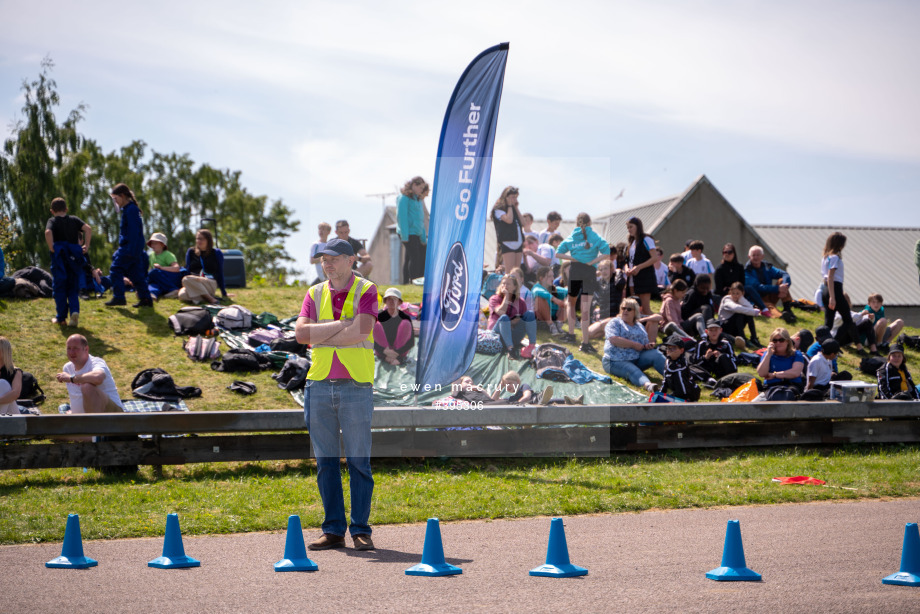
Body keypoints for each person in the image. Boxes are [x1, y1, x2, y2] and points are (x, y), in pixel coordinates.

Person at [294, 237, 378, 551]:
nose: (326, 264)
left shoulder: (367, 290)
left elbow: (361, 331)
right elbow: (301, 335)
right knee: (325, 463)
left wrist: (322, 333)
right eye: (323, 259)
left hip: (356, 386)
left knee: (359, 462)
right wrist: (339, 325)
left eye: (332, 258)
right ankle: (332, 530)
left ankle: (360, 530)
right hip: (318, 386)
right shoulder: (313, 292)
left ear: (350, 259)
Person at [555, 212, 609, 354]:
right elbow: (607, 252)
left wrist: (573, 258)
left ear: (577, 223)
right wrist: (592, 261)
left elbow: (558, 253)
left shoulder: (573, 236)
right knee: (586, 308)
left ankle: (571, 335)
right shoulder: (595, 236)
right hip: (589, 271)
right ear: (589, 223)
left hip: (575, 270)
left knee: (571, 303)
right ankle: (585, 343)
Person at [104, 183, 153, 308]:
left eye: (116, 198)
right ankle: (146, 299)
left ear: (123, 196)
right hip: (134, 248)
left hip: (129, 247)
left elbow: (133, 232)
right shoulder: (129, 209)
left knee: (115, 269)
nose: (115, 201)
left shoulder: (131, 210)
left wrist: (129, 250)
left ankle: (119, 297)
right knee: (136, 274)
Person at [602, 297, 665, 393]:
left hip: (636, 358)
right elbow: (613, 340)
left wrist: (647, 346)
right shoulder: (615, 322)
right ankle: (648, 386)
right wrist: (633, 344)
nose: (625, 311)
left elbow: (643, 344)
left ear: (635, 312)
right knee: (631, 369)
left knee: (656, 354)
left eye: (629, 309)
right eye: (623, 308)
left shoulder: (638, 326)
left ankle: (674, 375)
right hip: (614, 361)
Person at [45, 197, 92, 326]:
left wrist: (51, 247)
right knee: (72, 288)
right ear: (66, 209)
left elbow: (48, 232)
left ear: (52, 211)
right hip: (74, 258)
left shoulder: (52, 221)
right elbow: (88, 229)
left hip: (60, 258)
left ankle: (61, 318)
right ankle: (74, 312)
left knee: (60, 289)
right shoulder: (74, 220)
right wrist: (86, 246)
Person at [55, 334, 125, 415]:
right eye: (69, 348)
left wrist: (71, 378)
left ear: (86, 349)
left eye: (75, 348)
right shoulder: (67, 368)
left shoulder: (96, 362)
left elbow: (98, 378)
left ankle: (91, 425)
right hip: (82, 417)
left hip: (114, 415)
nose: (71, 352)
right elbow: (77, 396)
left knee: (87, 387)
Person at [820, 232, 858, 348]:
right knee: (847, 320)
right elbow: (831, 276)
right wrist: (833, 296)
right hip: (834, 289)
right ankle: (834, 343)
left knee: (829, 322)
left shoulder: (825, 257)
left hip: (826, 288)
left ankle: (823, 344)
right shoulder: (835, 257)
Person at [487, 274, 536, 360]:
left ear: (514, 287)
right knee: (504, 318)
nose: (505, 286)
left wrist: (515, 321)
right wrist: (506, 296)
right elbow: (501, 313)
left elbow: (522, 320)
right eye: (503, 283)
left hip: (513, 334)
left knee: (530, 314)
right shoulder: (494, 299)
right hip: (497, 337)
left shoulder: (521, 302)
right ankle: (510, 350)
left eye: (508, 284)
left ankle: (532, 346)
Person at [179, 229, 227, 304]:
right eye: (198, 238)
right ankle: (206, 296)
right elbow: (188, 269)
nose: (199, 241)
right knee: (182, 295)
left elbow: (220, 272)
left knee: (185, 279)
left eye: (202, 239)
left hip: (209, 282)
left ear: (208, 240)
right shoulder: (191, 251)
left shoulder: (216, 253)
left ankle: (209, 299)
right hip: (193, 280)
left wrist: (224, 292)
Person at [756, 327, 807, 399]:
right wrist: (768, 355)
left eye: (781, 340)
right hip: (771, 388)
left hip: (792, 387)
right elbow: (761, 373)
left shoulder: (796, 354)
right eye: (775, 340)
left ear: (787, 341)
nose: (778, 343)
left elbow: (795, 373)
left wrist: (774, 375)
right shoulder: (768, 354)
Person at [624, 216, 659, 316]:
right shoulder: (631, 242)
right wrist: (627, 269)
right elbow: (627, 260)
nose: (629, 230)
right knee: (634, 308)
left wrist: (639, 267)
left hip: (644, 278)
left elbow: (654, 258)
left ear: (637, 226)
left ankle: (657, 326)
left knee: (645, 309)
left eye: (631, 227)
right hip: (632, 279)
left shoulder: (646, 239)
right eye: (628, 228)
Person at [744, 245, 793, 318]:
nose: (756, 257)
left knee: (782, 280)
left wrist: (783, 289)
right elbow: (758, 287)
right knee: (770, 307)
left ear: (762, 256)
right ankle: (782, 316)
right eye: (753, 255)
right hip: (757, 299)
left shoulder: (767, 267)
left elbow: (784, 274)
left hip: (770, 295)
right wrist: (778, 288)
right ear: (749, 256)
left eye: (758, 255)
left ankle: (787, 309)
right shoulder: (747, 271)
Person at [396, 176, 429, 283]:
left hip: (417, 233)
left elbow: (420, 219)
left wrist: (423, 237)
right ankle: (415, 281)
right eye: (420, 187)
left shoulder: (418, 199)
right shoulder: (403, 198)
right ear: (414, 185)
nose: (421, 190)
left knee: (411, 258)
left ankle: (407, 282)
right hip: (408, 233)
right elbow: (402, 217)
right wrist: (405, 236)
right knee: (415, 258)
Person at [373, 287, 414, 366]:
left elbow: (411, 342)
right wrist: (385, 351)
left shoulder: (405, 317)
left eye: (394, 299)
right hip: (383, 351)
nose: (391, 302)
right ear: (385, 301)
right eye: (389, 299)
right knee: (375, 324)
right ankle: (390, 358)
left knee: (405, 324)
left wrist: (396, 353)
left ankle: (394, 359)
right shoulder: (379, 316)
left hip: (399, 352)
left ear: (399, 302)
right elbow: (371, 340)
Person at [718, 281, 763, 348]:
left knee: (748, 314)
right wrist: (753, 312)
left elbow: (750, 307)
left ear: (742, 293)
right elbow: (736, 308)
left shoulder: (741, 300)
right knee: (740, 313)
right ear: (730, 292)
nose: (735, 295)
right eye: (733, 293)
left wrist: (741, 299)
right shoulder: (726, 299)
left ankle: (754, 338)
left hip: (735, 326)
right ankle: (742, 337)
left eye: (738, 293)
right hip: (725, 326)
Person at [491, 186, 525, 274]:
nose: (514, 199)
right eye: (512, 197)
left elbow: (523, 222)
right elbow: (509, 220)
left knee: (517, 271)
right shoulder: (498, 209)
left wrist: (516, 207)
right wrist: (509, 206)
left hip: (518, 241)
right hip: (508, 242)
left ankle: (517, 286)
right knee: (509, 271)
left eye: (515, 197)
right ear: (506, 197)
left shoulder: (514, 209)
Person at [660, 334, 701, 402]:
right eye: (668, 348)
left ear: (681, 350)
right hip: (677, 392)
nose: (670, 350)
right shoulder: (668, 361)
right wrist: (661, 393)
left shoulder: (682, 364)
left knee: (677, 376)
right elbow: (665, 379)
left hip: (690, 394)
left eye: (674, 348)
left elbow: (683, 387)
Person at [145, 232, 183, 300]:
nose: (153, 245)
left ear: (162, 245)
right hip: (158, 280)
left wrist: (161, 268)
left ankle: (173, 289)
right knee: (154, 283)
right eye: (152, 243)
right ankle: (152, 294)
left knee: (154, 272)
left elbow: (176, 268)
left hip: (170, 278)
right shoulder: (151, 255)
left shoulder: (168, 255)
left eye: (155, 243)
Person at [532, 265, 568, 337]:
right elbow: (537, 292)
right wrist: (554, 299)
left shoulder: (553, 288)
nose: (553, 279)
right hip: (541, 319)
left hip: (554, 316)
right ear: (541, 278)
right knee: (539, 299)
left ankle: (559, 324)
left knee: (568, 298)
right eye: (549, 276)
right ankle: (551, 325)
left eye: (553, 276)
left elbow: (568, 292)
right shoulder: (536, 287)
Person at [681, 273, 719, 338]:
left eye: (707, 288)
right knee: (706, 308)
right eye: (702, 288)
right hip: (693, 322)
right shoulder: (691, 294)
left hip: (704, 320)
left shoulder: (708, 294)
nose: (705, 291)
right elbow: (684, 314)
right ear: (697, 286)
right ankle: (707, 330)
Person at [0, 336, 24, 416]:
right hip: (9, 413)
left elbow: (15, 394)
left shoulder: (16, 372)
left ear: (4, 351)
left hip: (10, 414)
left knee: (3, 384)